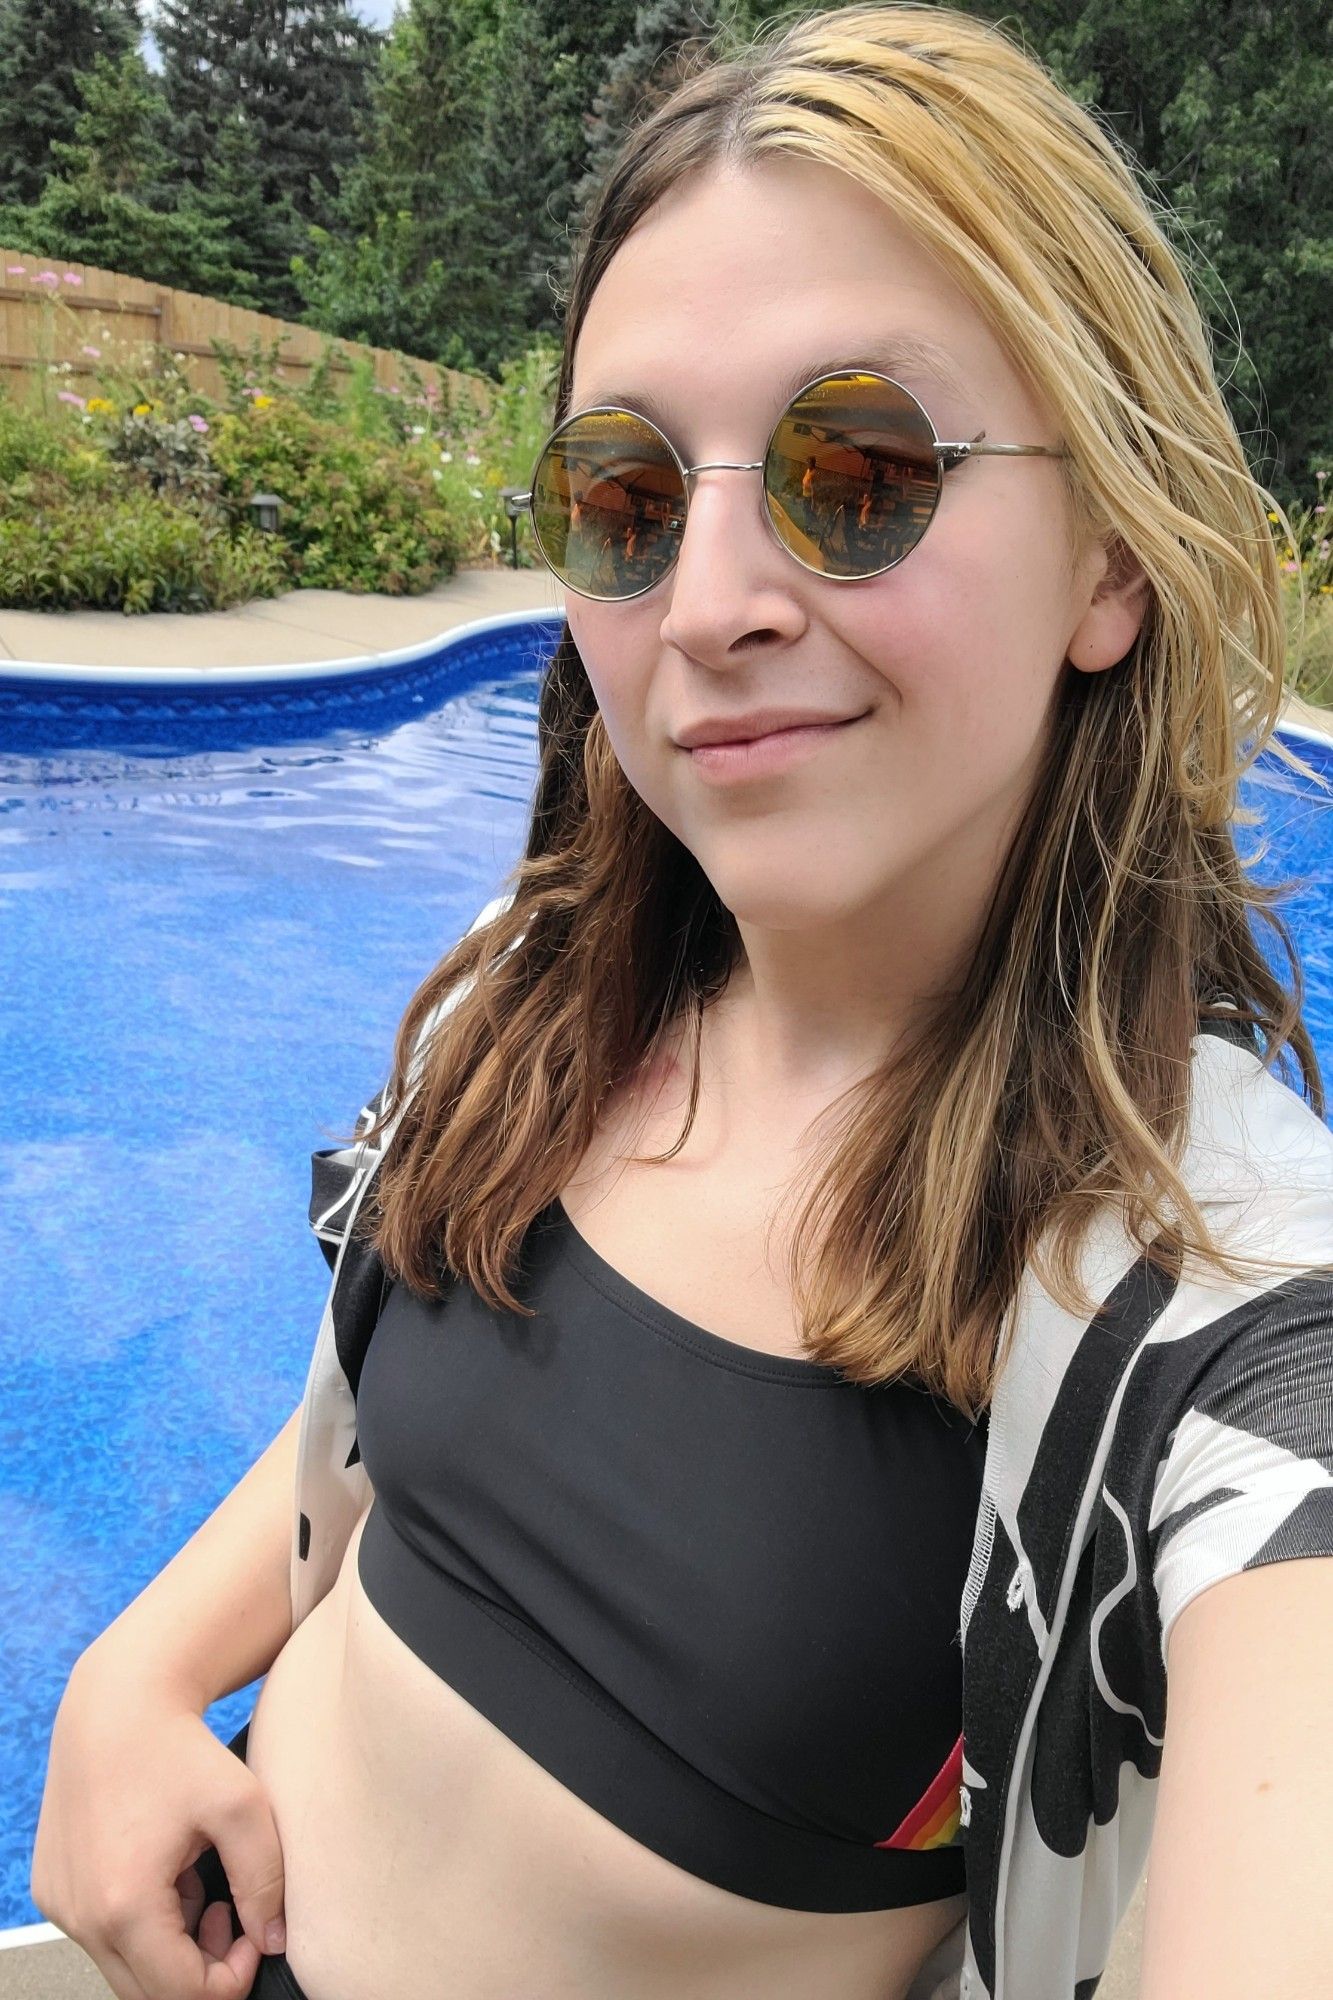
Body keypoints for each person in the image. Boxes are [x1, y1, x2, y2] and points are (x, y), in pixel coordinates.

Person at [31, 7, 1333, 2000]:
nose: (708, 599)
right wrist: (136, 1677)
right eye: (628, 495)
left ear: (1108, 559)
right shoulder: (554, 996)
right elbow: (379, 1440)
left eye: (859, 466)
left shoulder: (1205, 1309)